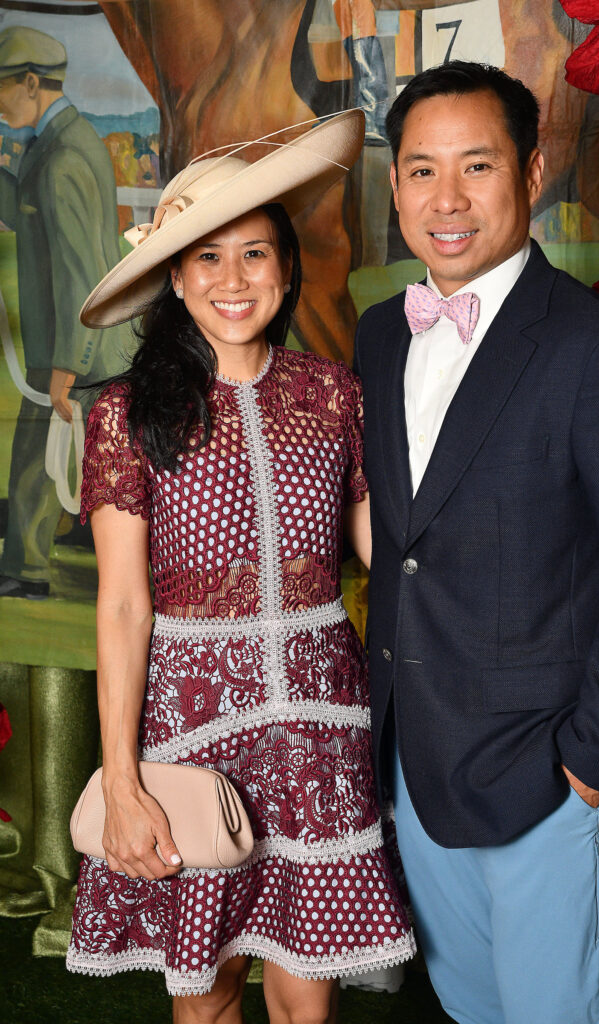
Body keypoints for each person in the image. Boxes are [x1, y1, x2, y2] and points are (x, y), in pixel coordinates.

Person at [65, 110, 415, 1023]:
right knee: (207, 990)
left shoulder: (334, 395)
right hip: (189, 728)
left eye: (255, 255)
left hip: (320, 732)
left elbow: (384, 550)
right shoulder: (128, 413)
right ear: (174, 279)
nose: (233, 279)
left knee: (307, 994)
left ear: (288, 269)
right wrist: (122, 781)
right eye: (208, 258)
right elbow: (122, 607)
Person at [353, 60, 599, 1024]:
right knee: (468, 1005)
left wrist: (594, 764)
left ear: (531, 172)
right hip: (415, 756)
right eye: (420, 170)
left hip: (546, 769)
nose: (445, 200)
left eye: (477, 166)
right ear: (395, 185)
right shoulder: (379, 335)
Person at [0, 25, 132, 600]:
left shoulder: (63, 158)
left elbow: (82, 272)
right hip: (76, 344)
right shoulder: (60, 144)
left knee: (72, 459)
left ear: (31, 83)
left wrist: (66, 365)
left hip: (81, 348)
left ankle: (31, 571)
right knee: (42, 452)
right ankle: (25, 568)